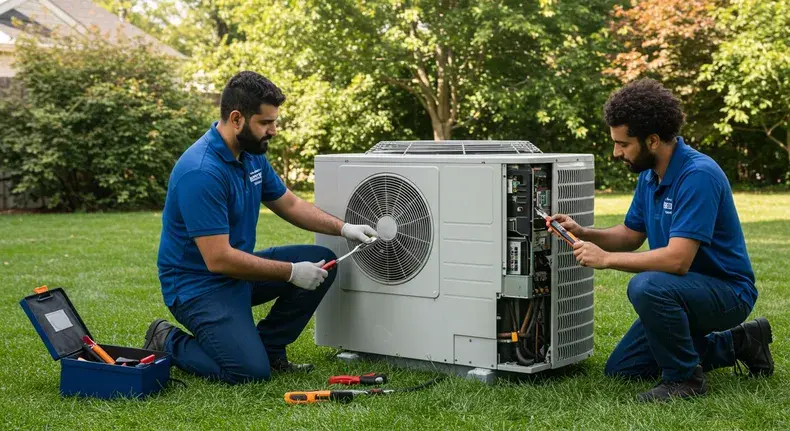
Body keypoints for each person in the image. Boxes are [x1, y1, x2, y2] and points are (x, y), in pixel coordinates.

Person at [142, 71, 377, 384]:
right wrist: (291, 272)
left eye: (274, 121)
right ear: (237, 119)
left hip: (237, 274)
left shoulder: (251, 156)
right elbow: (218, 259)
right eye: (266, 123)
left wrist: (345, 228)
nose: (274, 131)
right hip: (198, 287)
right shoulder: (201, 171)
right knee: (248, 372)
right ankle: (167, 340)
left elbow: (290, 205)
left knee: (324, 261)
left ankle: (270, 348)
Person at [549, 78, 774, 402]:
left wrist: (606, 259)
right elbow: (629, 235)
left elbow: (676, 260)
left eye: (623, 144)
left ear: (652, 140)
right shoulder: (649, 176)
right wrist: (583, 232)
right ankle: (740, 343)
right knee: (624, 369)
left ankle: (685, 380)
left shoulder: (698, 175)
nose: (616, 152)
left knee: (646, 286)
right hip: (684, 291)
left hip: (727, 291)